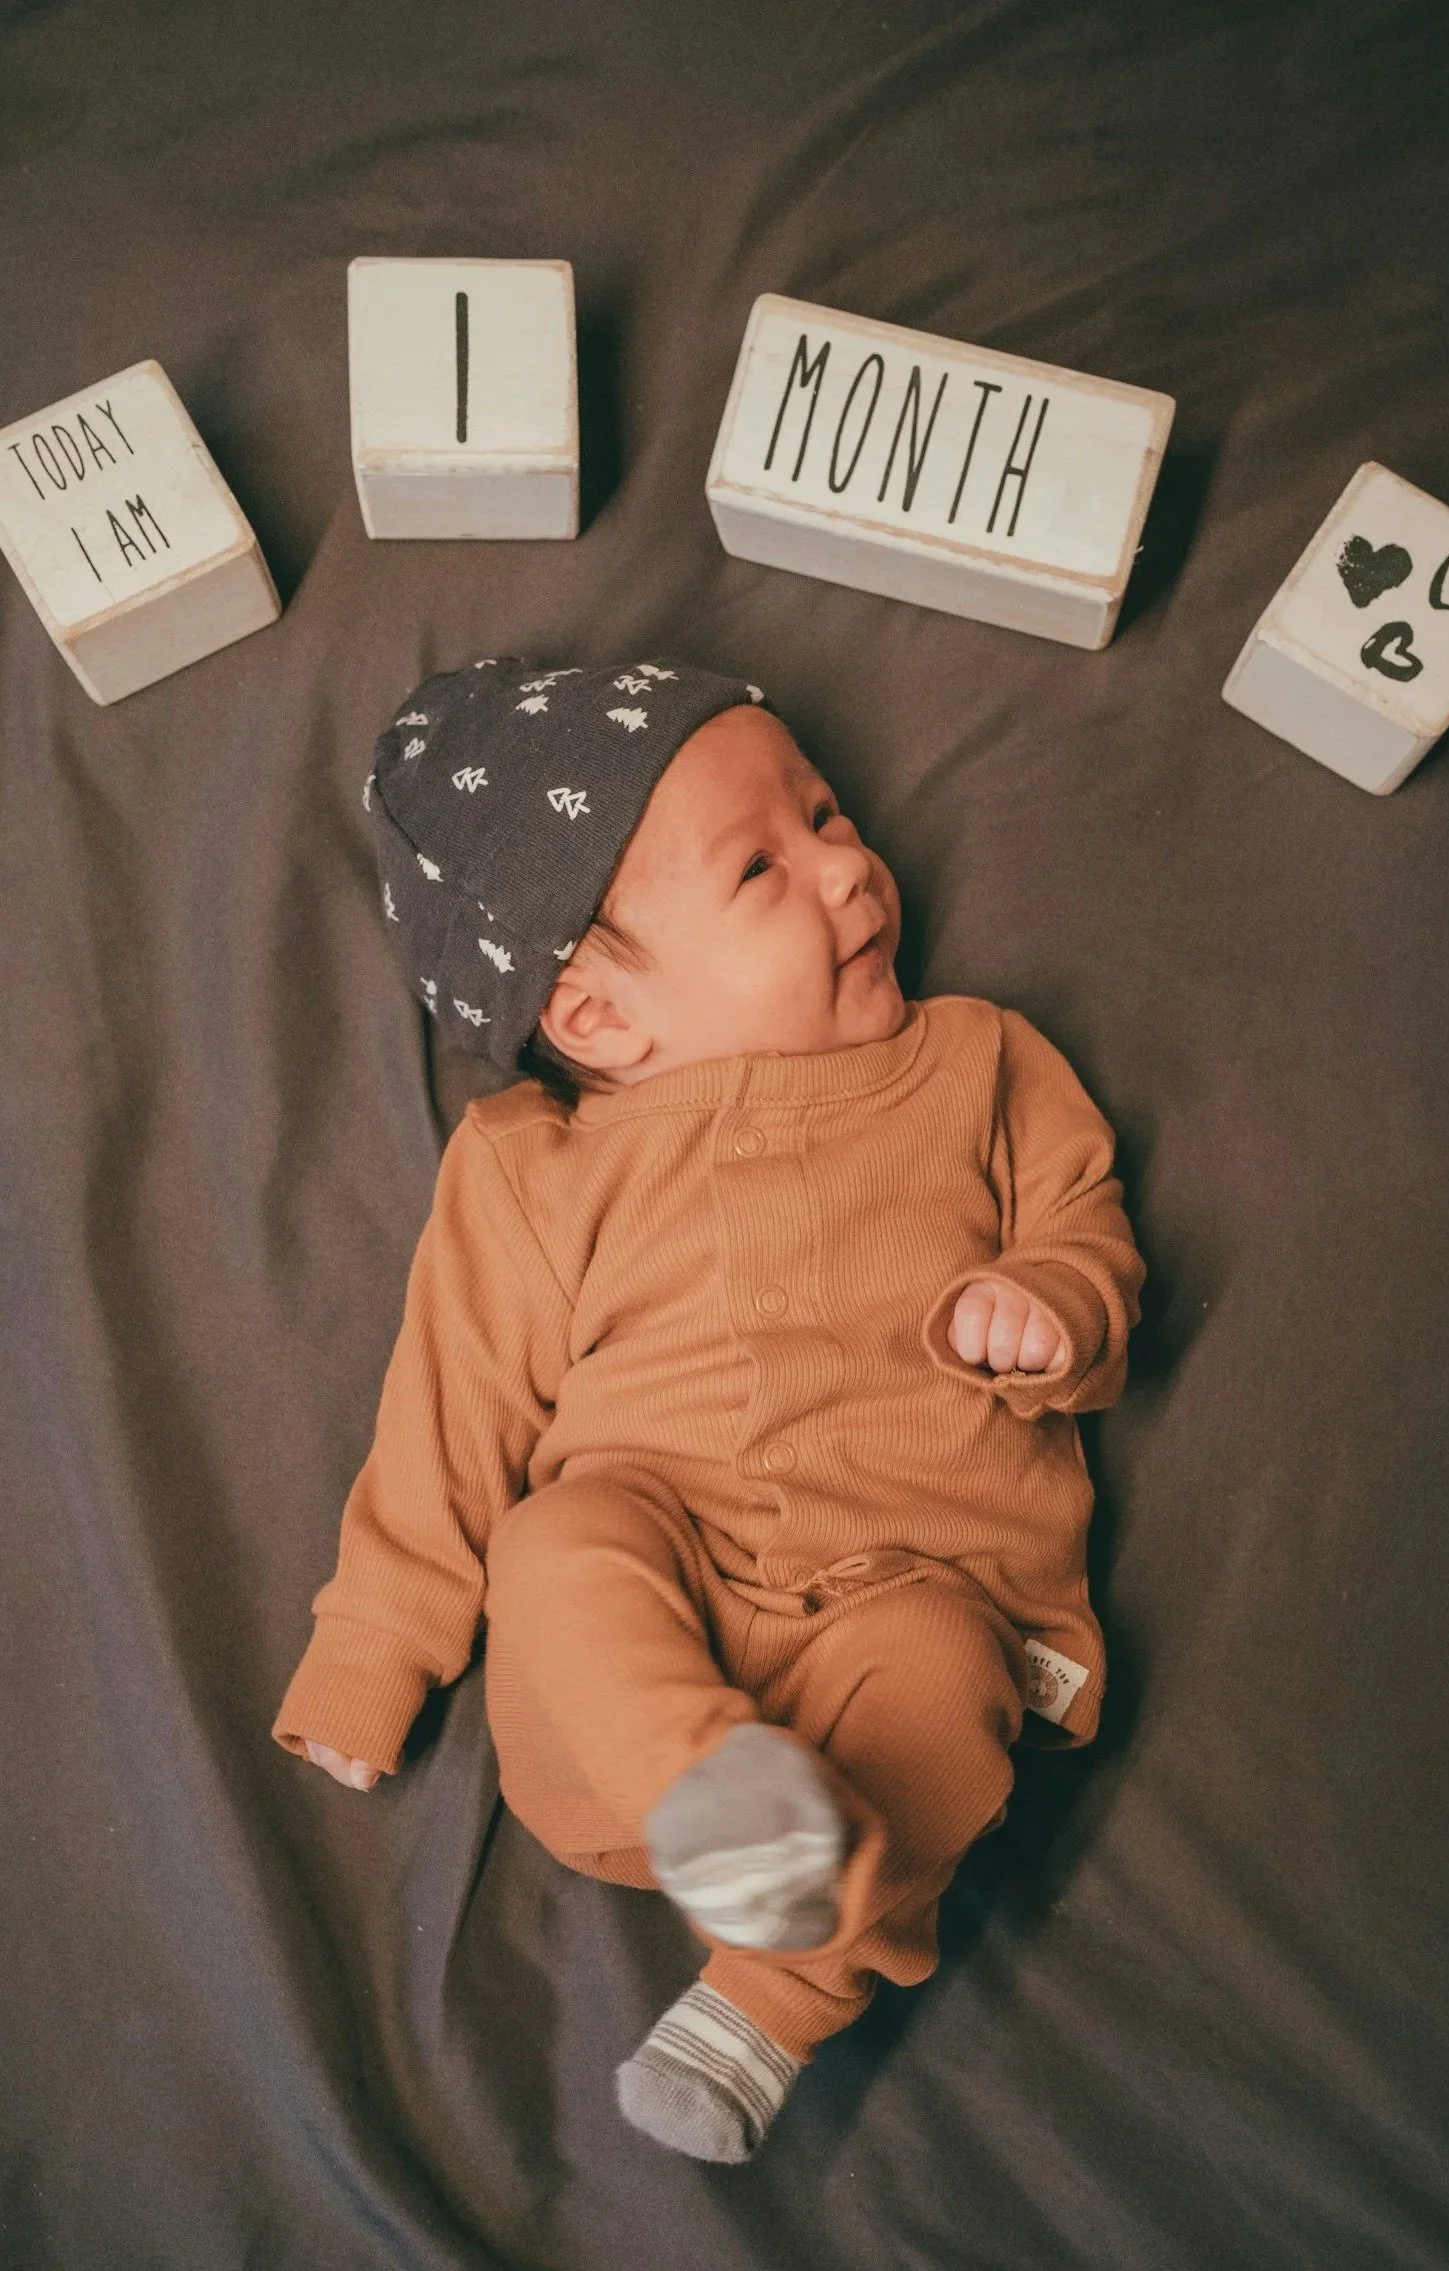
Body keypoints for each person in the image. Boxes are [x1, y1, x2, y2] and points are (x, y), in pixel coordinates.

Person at [273, 657, 1144, 2163]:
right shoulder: (532, 1165)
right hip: (629, 1703)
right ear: (595, 1015)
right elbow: (452, 1409)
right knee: (558, 1537)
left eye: (825, 811)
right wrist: (370, 1654)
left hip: (906, 1608)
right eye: (764, 864)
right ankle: (721, 1802)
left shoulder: (977, 1061)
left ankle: (761, 2003)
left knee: (943, 1662)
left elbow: (1085, 1221)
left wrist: (1054, 1304)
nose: (847, 864)